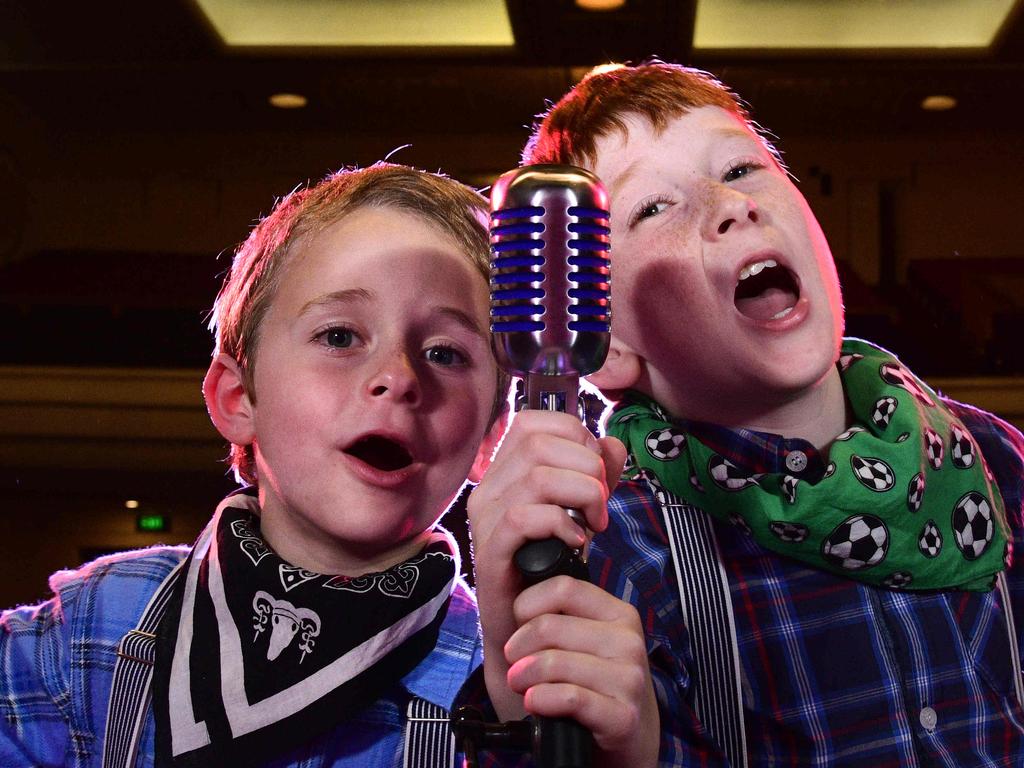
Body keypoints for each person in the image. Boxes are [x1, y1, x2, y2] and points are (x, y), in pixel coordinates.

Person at [468, 61, 1024, 766]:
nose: (727, 204)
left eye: (739, 169)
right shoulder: (617, 550)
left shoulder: (995, 457)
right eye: (655, 207)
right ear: (608, 349)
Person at [0, 163, 516, 768]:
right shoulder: (91, 631)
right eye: (340, 337)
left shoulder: (506, 684)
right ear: (238, 398)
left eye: (445, 353)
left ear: (490, 436)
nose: (399, 378)